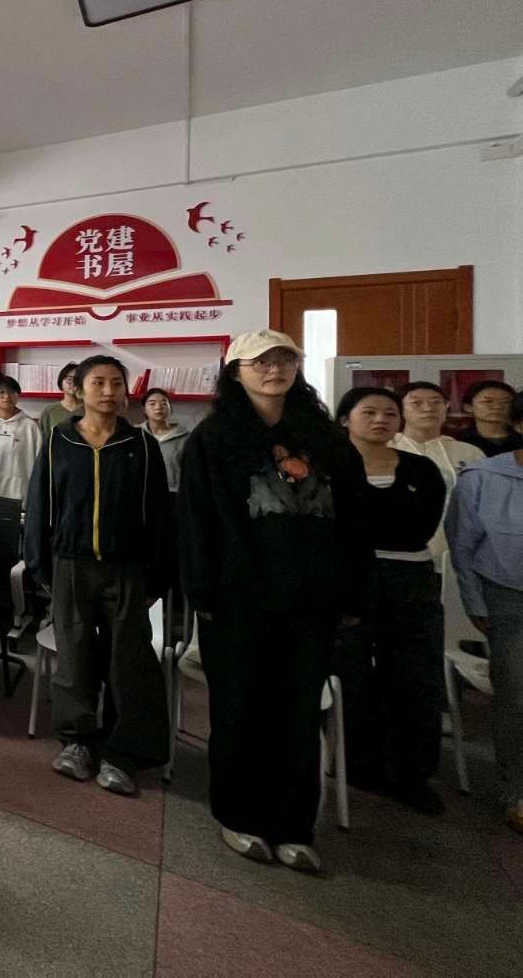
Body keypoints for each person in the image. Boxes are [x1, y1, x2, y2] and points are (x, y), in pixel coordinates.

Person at [178, 329, 371, 873]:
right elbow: (194, 520)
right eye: (259, 361)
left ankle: (293, 823)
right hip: (237, 599)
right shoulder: (213, 438)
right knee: (240, 707)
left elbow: (356, 520)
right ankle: (237, 814)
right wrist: (201, 590)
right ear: (236, 372)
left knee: (298, 711)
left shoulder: (325, 438)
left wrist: (356, 591)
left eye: (284, 359)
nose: (273, 369)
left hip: (312, 598)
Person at [24, 355, 173, 796]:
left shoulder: (141, 444)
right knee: (73, 659)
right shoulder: (58, 441)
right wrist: (39, 565)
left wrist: (156, 576)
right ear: (79, 389)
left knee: (129, 662)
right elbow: (40, 503)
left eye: (116, 383)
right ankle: (78, 742)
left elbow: (159, 514)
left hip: (127, 568)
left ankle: (123, 753)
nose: (108, 391)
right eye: (98, 383)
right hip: (70, 565)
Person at [332, 387, 447, 814]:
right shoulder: (328, 468)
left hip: (411, 580)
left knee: (415, 678)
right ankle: (359, 765)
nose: (381, 419)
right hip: (347, 582)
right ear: (345, 419)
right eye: (369, 412)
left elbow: (421, 527)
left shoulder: (421, 468)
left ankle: (412, 774)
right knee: (352, 676)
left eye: (389, 413)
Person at [444, 389, 523, 836]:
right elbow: (463, 544)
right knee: (515, 694)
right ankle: (517, 790)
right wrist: (475, 602)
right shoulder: (483, 476)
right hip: (508, 597)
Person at [391, 381, 484, 557]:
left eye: (436, 402)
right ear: (399, 409)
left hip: (458, 546)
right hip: (398, 548)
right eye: (416, 403)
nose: (428, 408)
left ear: (446, 407)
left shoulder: (469, 452)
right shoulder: (386, 448)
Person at [0, 374, 42, 502]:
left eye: (12, 392)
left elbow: (39, 464)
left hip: (20, 494)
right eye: (1, 392)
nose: (7, 396)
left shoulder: (30, 426)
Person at [141, 388, 190, 494]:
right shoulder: (135, 435)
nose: (158, 407)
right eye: (152, 404)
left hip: (174, 493)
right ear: (144, 409)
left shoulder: (185, 437)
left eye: (164, 403)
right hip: (141, 492)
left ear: (170, 408)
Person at [457, 380, 522, 458]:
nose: (497, 406)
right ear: (468, 407)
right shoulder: (457, 441)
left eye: (506, 402)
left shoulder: (520, 438)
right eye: (488, 401)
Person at [38, 363, 83, 435]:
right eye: (69, 379)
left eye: (78, 380)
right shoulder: (49, 411)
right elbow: (43, 438)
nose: (74, 383)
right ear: (61, 382)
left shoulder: (91, 410)